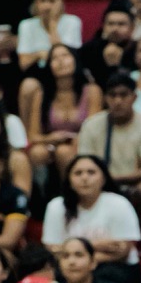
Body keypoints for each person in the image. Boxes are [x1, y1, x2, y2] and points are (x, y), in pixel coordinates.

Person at [76, 70, 141, 246]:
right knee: (81, 183)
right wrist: (100, 180)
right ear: (105, 98)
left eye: (124, 95)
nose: (118, 101)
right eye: (112, 95)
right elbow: (84, 163)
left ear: (134, 97)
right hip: (99, 184)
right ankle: (85, 244)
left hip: (133, 184)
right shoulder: (92, 125)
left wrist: (111, 178)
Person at [41, 154, 141, 283]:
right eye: (78, 173)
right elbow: (53, 249)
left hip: (116, 269)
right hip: (71, 269)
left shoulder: (119, 204)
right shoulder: (56, 207)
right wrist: (98, 246)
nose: (84, 178)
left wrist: (74, 254)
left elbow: (122, 251)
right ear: (69, 180)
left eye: (91, 172)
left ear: (103, 178)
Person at [18, 42, 100, 187]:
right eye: (55, 58)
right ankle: (40, 195)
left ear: (75, 60)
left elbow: (94, 129)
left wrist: (74, 138)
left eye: (65, 56)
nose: (61, 61)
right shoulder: (41, 94)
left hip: (82, 142)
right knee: (37, 153)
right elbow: (33, 136)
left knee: (64, 152)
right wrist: (51, 138)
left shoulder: (92, 90)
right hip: (52, 144)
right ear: (49, 65)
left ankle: (71, 191)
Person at [17, 0, 83, 70]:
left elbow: (65, 58)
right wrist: (39, 54)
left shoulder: (73, 22)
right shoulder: (26, 25)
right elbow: (23, 64)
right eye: (43, 0)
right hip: (37, 72)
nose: (47, 6)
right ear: (36, 3)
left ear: (60, 2)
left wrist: (52, 24)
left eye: (52, 1)